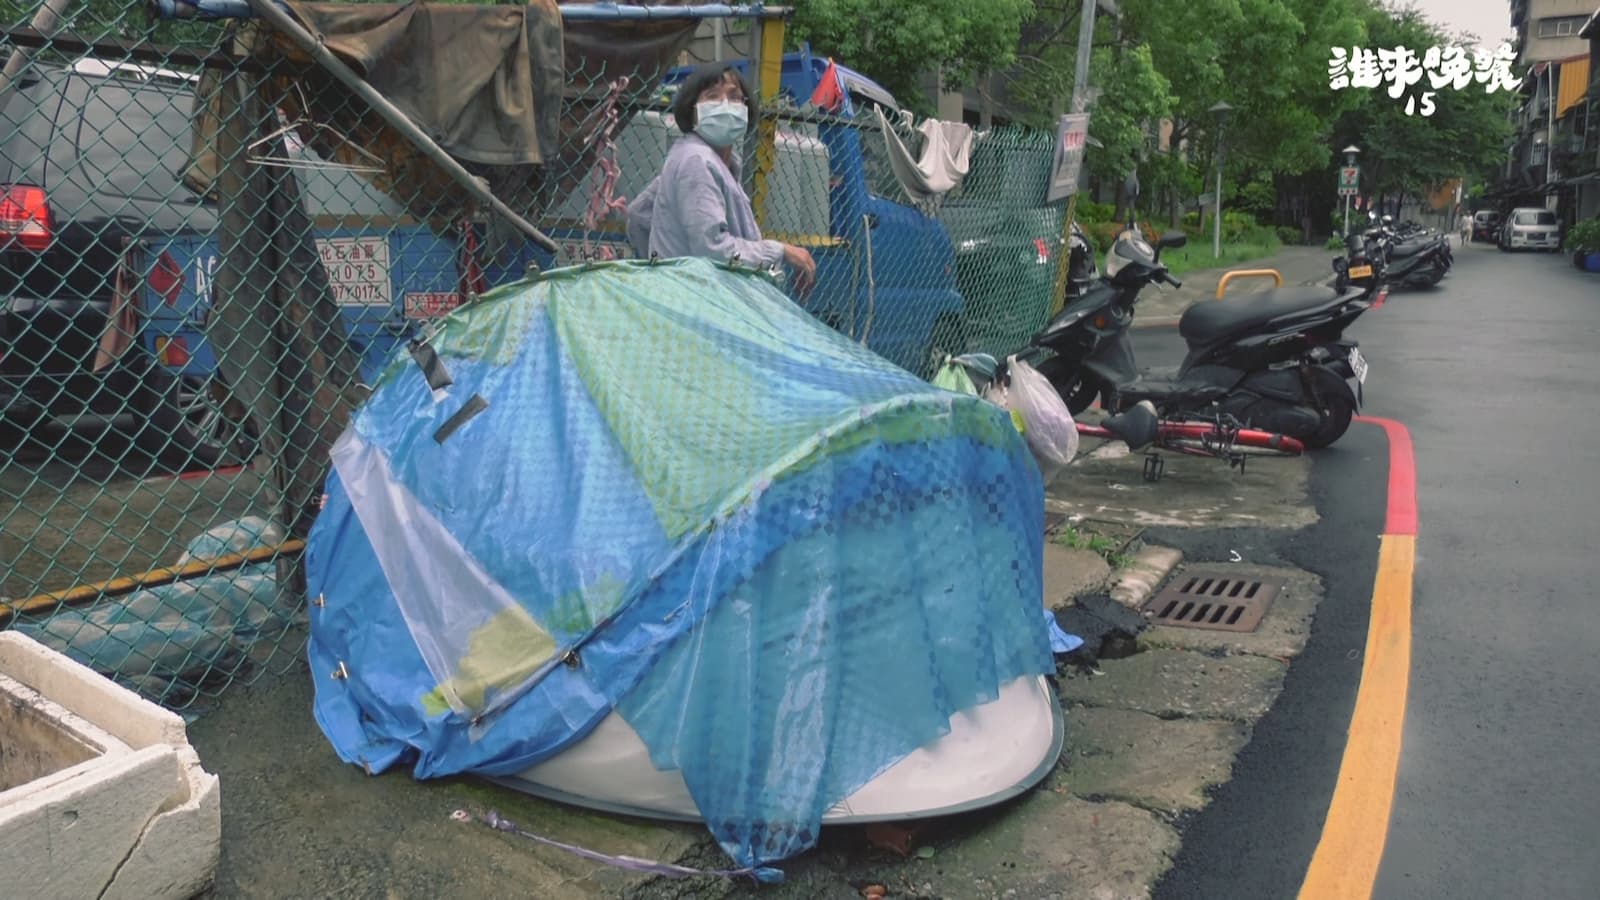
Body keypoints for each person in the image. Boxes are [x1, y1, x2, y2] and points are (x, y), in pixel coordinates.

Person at [625, 62, 816, 294]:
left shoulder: (702, 160)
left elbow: (639, 214)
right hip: (701, 306)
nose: (725, 105)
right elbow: (712, 249)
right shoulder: (696, 161)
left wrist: (666, 267)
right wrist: (781, 251)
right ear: (692, 111)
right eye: (712, 97)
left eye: (734, 97)